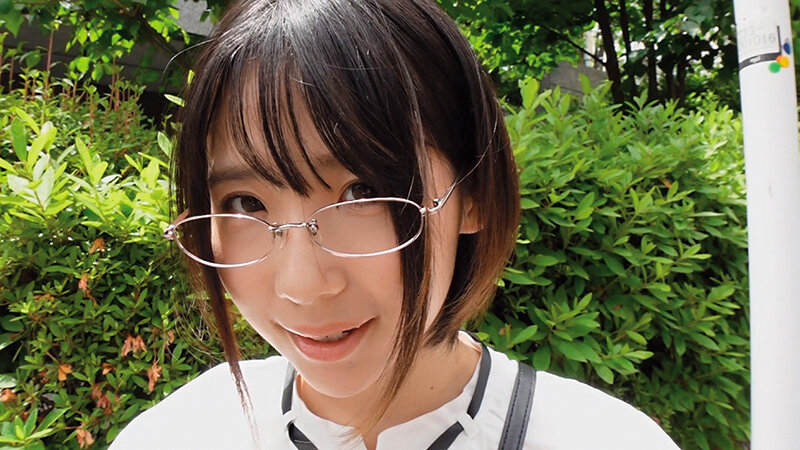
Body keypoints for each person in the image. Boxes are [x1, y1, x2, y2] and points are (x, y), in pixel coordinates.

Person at [111, 0, 679, 449]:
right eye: (245, 203)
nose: (302, 286)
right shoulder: (183, 434)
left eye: (363, 192)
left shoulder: (599, 439)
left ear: (474, 192)